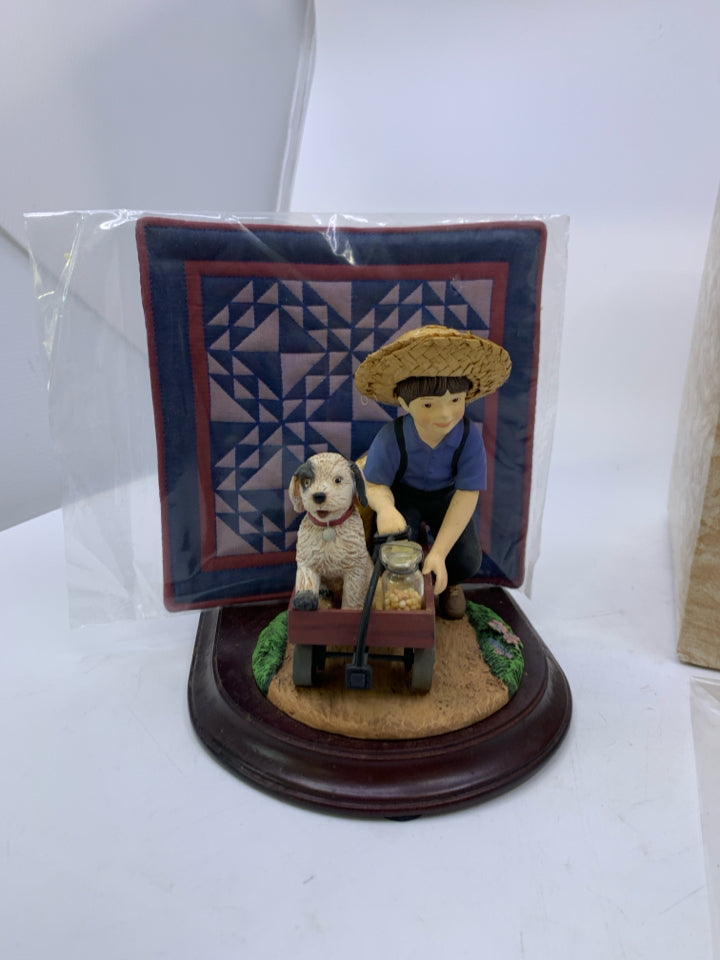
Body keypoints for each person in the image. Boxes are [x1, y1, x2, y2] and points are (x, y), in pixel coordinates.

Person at [354, 325, 511, 619]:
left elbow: (467, 494)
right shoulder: (392, 437)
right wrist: (386, 509)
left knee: (466, 557)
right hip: (404, 496)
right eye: (428, 404)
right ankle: (402, 590)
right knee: (390, 549)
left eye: (456, 401)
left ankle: (450, 582)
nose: (445, 414)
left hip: (446, 498)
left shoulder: (468, 437)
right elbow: (374, 483)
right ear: (404, 402)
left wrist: (439, 552)